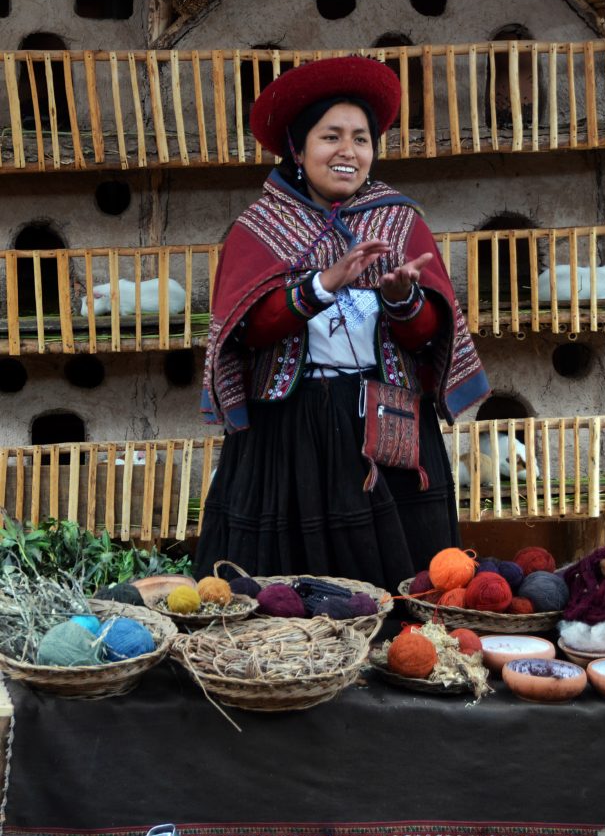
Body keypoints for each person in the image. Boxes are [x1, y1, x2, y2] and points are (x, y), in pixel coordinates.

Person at [194, 56, 489, 592]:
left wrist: (403, 299)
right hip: (291, 428)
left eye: (361, 139)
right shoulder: (259, 228)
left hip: (387, 423)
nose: (348, 152)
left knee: (401, 582)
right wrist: (320, 285)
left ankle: (397, 650)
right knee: (284, 582)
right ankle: (287, 661)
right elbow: (248, 330)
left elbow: (427, 336)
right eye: (331, 137)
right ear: (299, 150)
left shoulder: (400, 221)